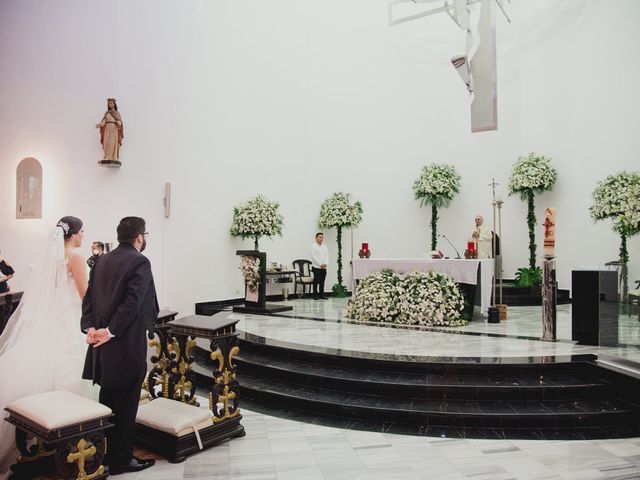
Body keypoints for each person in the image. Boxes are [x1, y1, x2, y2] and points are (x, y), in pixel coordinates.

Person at [0, 216, 94, 475]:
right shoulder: (75, 257)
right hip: (70, 322)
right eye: (82, 231)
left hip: (51, 322)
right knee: (71, 373)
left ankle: (42, 439)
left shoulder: (51, 258)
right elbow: (85, 295)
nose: (84, 235)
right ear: (72, 234)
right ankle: (72, 439)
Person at [82, 217, 158, 475]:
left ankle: (109, 453)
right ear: (139, 237)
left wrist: (91, 328)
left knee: (109, 399)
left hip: (102, 347)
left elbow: (88, 299)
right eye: (145, 234)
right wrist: (111, 331)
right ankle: (121, 459)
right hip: (125, 345)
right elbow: (133, 303)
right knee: (126, 404)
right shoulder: (140, 261)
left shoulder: (102, 260)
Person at [96, 98, 123, 162]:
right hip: (107, 129)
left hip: (113, 128)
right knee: (106, 142)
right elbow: (104, 121)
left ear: (114, 104)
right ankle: (106, 155)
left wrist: (119, 123)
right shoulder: (107, 113)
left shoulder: (117, 113)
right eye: (109, 103)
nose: (110, 104)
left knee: (112, 142)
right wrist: (100, 124)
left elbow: (119, 121)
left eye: (111, 103)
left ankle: (112, 157)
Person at [310, 232, 329, 300]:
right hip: (316, 267)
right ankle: (315, 295)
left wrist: (325, 263)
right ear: (316, 238)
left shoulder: (324, 246)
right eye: (320, 237)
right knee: (316, 281)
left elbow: (327, 255)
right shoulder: (313, 246)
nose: (321, 238)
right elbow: (313, 256)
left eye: (322, 237)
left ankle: (321, 294)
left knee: (322, 281)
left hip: (324, 267)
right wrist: (320, 264)